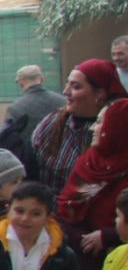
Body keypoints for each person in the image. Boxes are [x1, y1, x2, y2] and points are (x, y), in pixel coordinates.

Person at [57, 97, 128, 270]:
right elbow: (67, 208)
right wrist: (83, 239)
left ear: (118, 128)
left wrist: (109, 236)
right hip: (83, 265)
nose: (92, 128)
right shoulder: (90, 161)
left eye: (100, 123)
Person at [29, 59, 124, 193]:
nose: (65, 91)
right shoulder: (50, 124)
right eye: (67, 84)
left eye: (76, 87)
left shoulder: (120, 130)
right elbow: (29, 174)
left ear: (100, 95)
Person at [0, 65, 64, 154]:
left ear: (21, 83)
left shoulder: (15, 108)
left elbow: (7, 139)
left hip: (31, 161)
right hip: (61, 157)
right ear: (42, 79)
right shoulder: (63, 101)